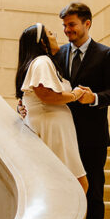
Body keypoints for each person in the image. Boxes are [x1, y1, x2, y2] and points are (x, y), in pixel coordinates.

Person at [57, 2, 110, 219]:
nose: (66, 30)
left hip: (93, 138)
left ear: (87, 23)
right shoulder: (57, 54)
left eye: (71, 24)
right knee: (62, 192)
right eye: (64, 25)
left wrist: (93, 97)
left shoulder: (106, 54)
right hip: (62, 135)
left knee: (94, 193)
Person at [16, 23, 90, 205]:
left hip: (53, 127)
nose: (56, 36)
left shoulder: (41, 63)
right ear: (42, 42)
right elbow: (45, 94)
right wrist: (75, 94)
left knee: (71, 186)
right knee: (76, 185)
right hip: (52, 128)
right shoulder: (42, 61)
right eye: (50, 34)